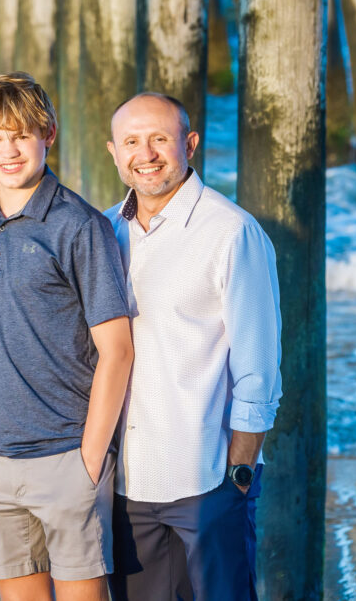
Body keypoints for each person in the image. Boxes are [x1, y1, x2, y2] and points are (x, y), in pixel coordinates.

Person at [0, 73, 134, 601]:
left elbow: (117, 350)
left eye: (20, 135)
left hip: (66, 458)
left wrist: (89, 461)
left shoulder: (80, 226)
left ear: (47, 134)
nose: (8, 151)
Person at [103, 92, 283, 600]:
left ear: (190, 144)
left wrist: (239, 474)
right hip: (125, 482)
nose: (146, 154)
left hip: (205, 479)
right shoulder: (103, 230)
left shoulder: (231, 233)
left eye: (160, 139)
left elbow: (259, 366)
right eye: (131, 142)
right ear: (113, 152)